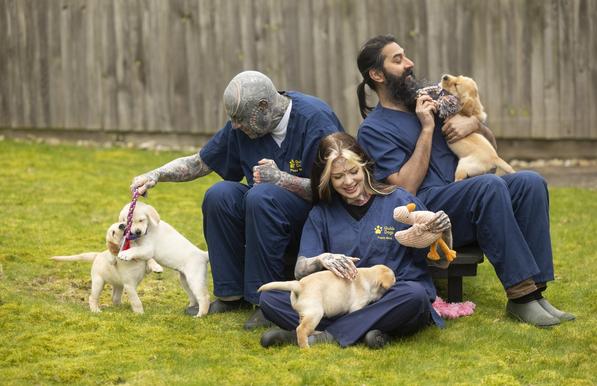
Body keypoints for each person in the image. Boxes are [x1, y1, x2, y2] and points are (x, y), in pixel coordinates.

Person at [355, 34, 574, 327]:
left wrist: (474, 123)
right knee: (488, 186)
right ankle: (521, 297)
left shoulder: (431, 101)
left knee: (530, 183)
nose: (410, 64)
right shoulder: (373, 129)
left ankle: (537, 292)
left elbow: (486, 145)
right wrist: (427, 129)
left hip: (464, 197)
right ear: (377, 74)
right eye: (398, 60)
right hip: (427, 212)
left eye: (406, 56)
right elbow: (405, 188)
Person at [130, 70, 345, 329]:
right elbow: (200, 162)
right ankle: (231, 294)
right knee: (220, 195)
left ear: (264, 106)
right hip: (265, 210)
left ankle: (267, 301)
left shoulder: (315, 120)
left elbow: (337, 187)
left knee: (261, 195)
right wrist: (155, 175)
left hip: (313, 217)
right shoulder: (246, 126)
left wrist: (281, 179)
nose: (235, 126)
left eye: (240, 119)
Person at [259, 132, 452, 349]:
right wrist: (320, 259)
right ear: (327, 178)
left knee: (415, 296)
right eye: (338, 176)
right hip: (341, 301)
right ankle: (369, 331)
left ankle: (322, 334)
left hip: (390, 298)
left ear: (365, 167)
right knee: (270, 298)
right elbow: (300, 271)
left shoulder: (400, 202)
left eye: (353, 171)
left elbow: (441, 262)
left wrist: (444, 233)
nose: (349, 181)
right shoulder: (321, 214)